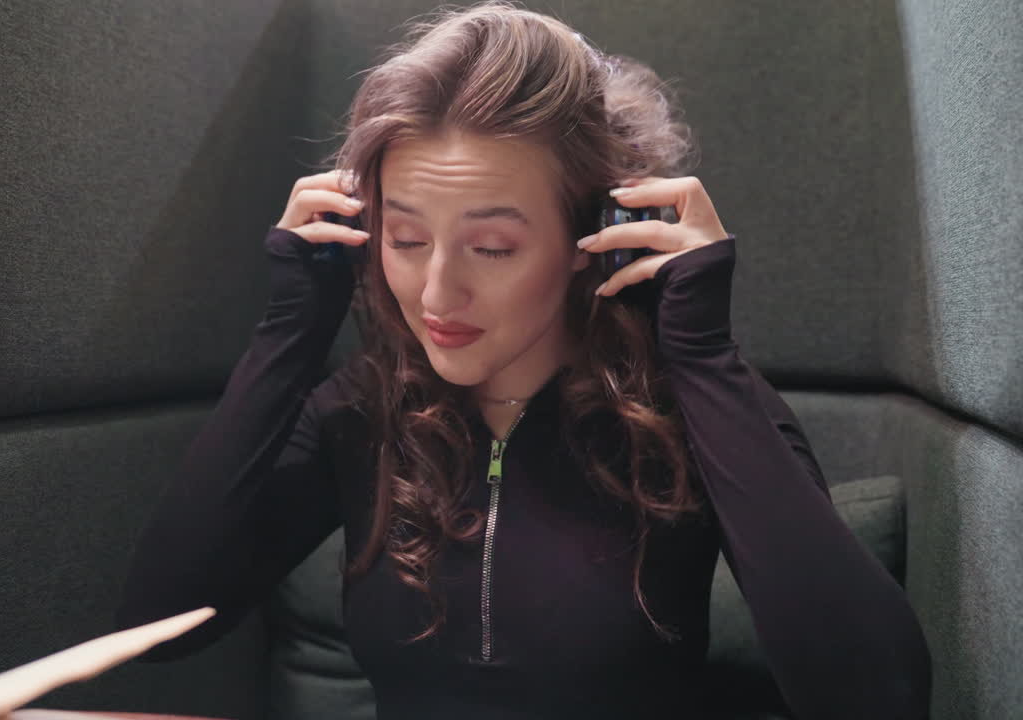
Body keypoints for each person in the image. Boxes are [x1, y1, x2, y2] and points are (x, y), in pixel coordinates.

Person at [114, 2, 932, 718]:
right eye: (404, 239)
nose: (436, 291)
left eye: (493, 247)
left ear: (591, 237)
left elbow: (878, 696)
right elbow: (159, 620)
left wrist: (705, 361)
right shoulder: (365, 409)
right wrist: (288, 335)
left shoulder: (689, 407)